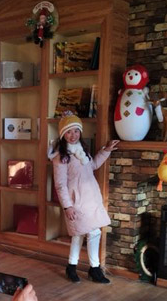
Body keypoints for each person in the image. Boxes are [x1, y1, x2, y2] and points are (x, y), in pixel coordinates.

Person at [49, 111, 119, 284]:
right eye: (69, 132)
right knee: (92, 231)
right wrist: (68, 206)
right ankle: (94, 269)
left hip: (92, 199)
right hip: (76, 201)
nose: (73, 135)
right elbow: (60, 185)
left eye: (76, 131)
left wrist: (106, 150)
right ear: (63, 135)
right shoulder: (60, 157)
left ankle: (71, 266)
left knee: (80, 234)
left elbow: (93, 165)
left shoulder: (82, 151)